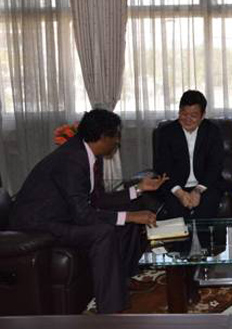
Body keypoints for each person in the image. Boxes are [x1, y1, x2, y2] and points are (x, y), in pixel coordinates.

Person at [9, 109, 167, 314]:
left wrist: (138, 189)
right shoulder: (72, 159)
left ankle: (121, 280)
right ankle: (110, 311)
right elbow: (83, 214)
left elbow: (97, 199)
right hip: (39, 224)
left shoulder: (90, 153)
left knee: (129, 212)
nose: (117, 141)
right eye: (116, 136)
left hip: (64, 214)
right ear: (102, 137)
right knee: (104, 232)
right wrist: (130, 217)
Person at [154, 90, 225, 219]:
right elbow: (163, 166)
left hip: (205, 184)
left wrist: (198, 190)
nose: (187, 119)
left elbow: (215, 165)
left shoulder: (212, 131)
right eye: (184, 114)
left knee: (209, 203)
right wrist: (179, 192)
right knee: (174, 209)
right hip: (176, 185)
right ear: (179, 112)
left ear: (202, 116)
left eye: (193, 115)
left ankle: (206, 233)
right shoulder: (166, 132)